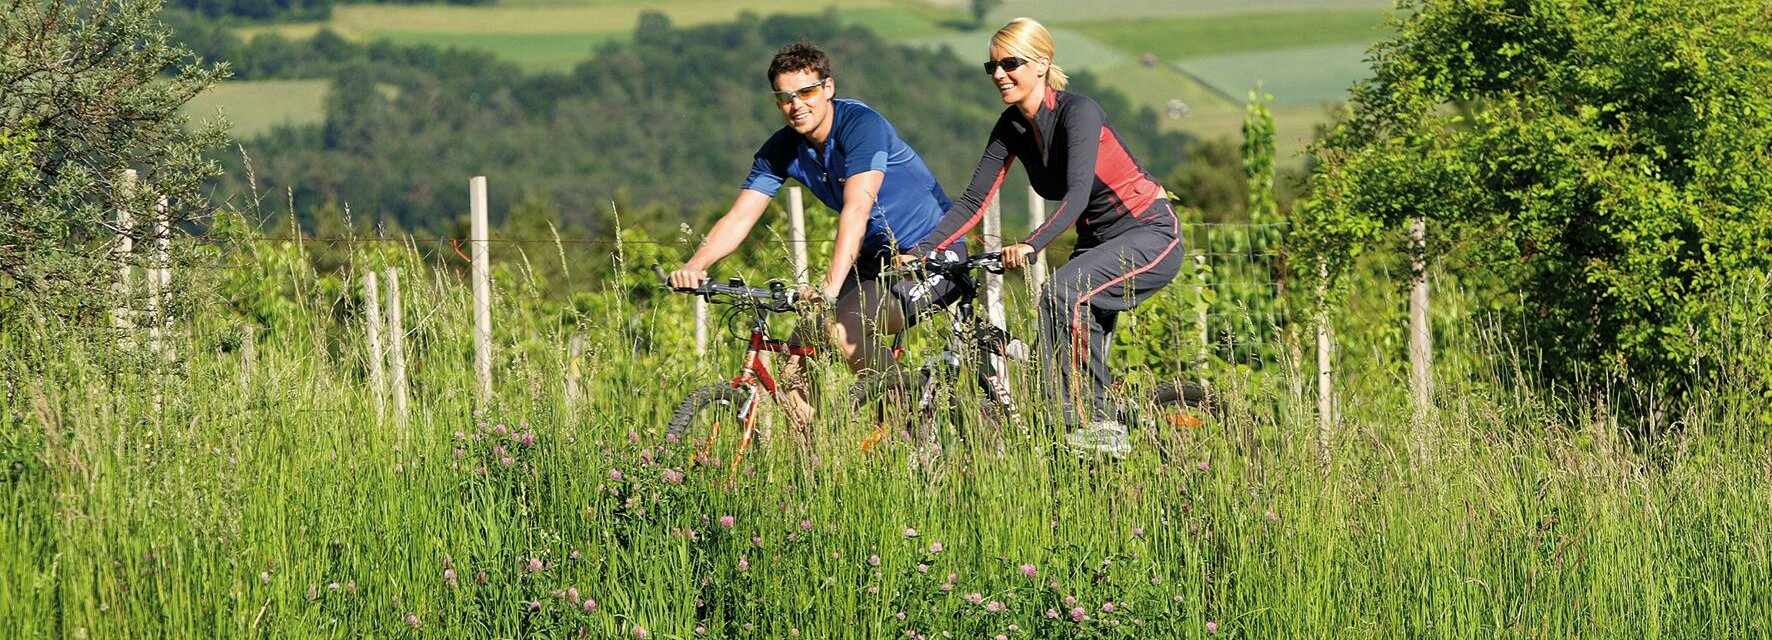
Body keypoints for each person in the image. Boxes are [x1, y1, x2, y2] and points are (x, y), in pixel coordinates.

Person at [909, 17, 1183, 458]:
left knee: (1060, 293)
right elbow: (972, 202)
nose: (998, 74)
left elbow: (1076, 196)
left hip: (1149, 232)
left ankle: (1085, 428)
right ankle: (1102, 444)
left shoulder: (1080, 112)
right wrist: (922, 250)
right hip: (1098, 245)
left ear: (1041, 64)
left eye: (1009, 63)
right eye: (991, 66)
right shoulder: (1011, 127)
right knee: (1059, 352)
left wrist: (1033, 243)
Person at [670, 41, 962, 419]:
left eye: (806, 92)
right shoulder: (782, 147)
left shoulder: (861, 126)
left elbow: (857, 209)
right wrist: (697, 264)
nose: (796, 105)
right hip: (876, 262)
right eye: (784, 97)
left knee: (844, 330)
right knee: (795, 360)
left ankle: (911, 431)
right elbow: (740, 217)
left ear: (828, 88)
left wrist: (829, 286)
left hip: (932, 254)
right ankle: (815, 461)